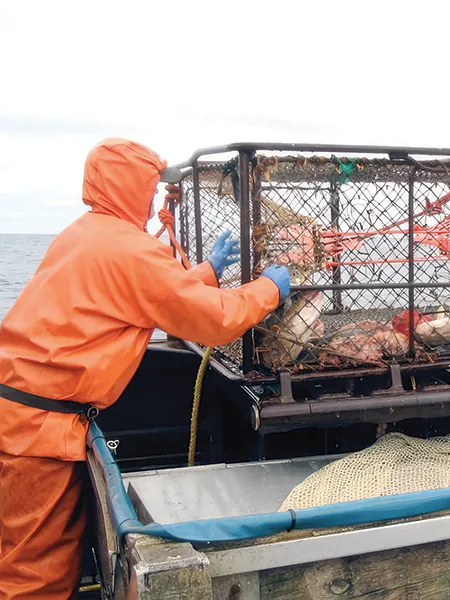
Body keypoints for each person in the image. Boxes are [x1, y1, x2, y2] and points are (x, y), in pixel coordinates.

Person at [0, 138, 291, 598]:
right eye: (151, 188)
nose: (155, 198)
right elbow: (213, 321)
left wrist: (208, 273)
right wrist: (269, 290)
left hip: (21, 416)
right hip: (37, 432)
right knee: (32, 576)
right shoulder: (130, 250)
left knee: (26, 556)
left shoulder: (84, 233)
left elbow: (148, 296)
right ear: (130, 187)